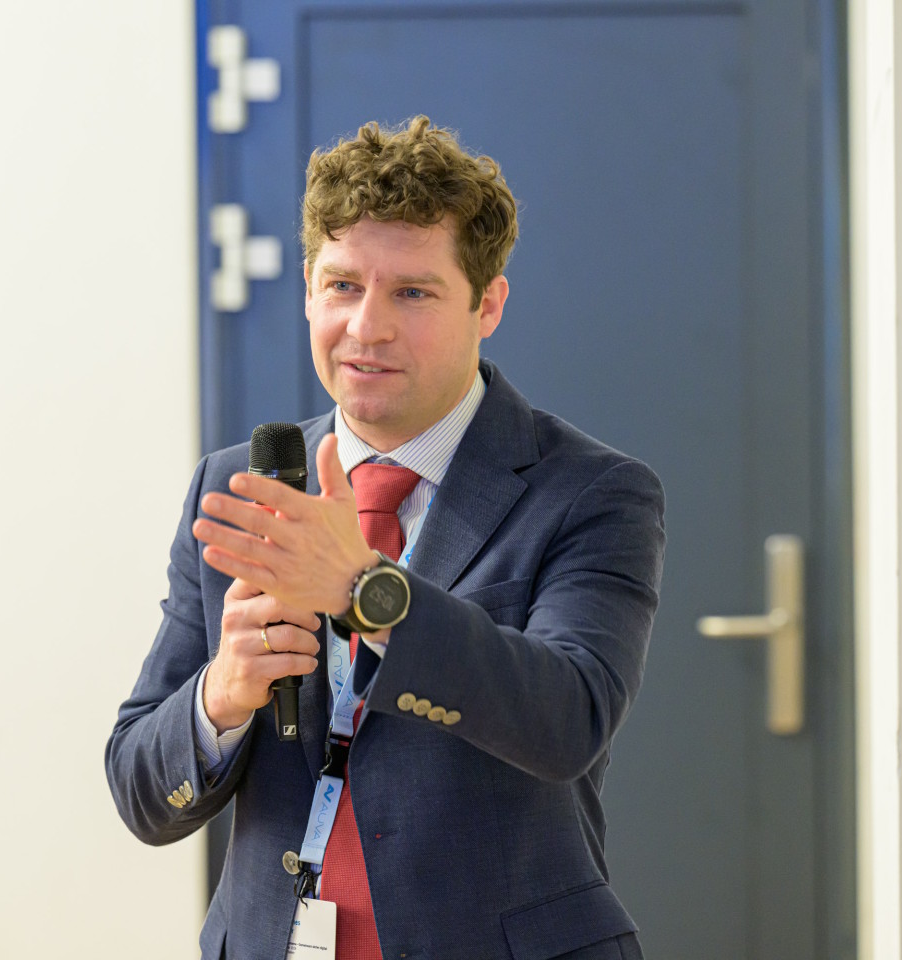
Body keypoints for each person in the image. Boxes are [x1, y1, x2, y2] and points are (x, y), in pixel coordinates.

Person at [106, 116, 665, 960]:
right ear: (305, 288)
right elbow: (141, 789)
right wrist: (221, 695)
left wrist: (365, 592)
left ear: (489, 302)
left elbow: (568, 718)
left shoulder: (590, 491)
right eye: (341, 286)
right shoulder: (235, 488)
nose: (366, 327)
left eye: (411, 291)